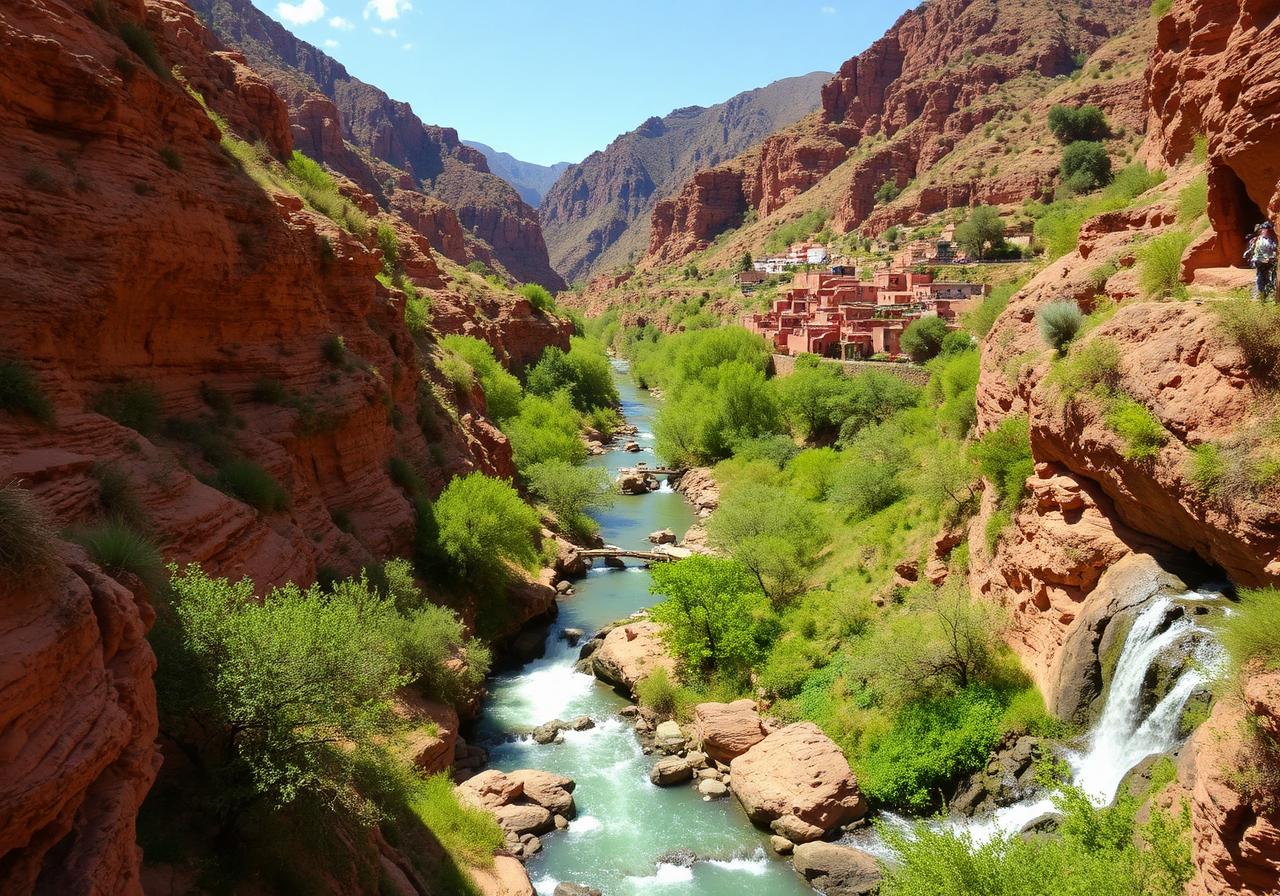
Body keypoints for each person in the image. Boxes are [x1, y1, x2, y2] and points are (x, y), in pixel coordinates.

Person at [1246, 221, 1277, 300]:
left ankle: (1266, 295)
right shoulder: (1259, 240)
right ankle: (1258, 296)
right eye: (1264, 229)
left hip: (1269, 261)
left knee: (1269, 278)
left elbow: (1274, 249)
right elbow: (1257, 251)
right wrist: (1266, 258)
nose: (1265, 231)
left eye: (1267, 230)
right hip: (1260, 261)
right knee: (1261, 277)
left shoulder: (1272, 239)